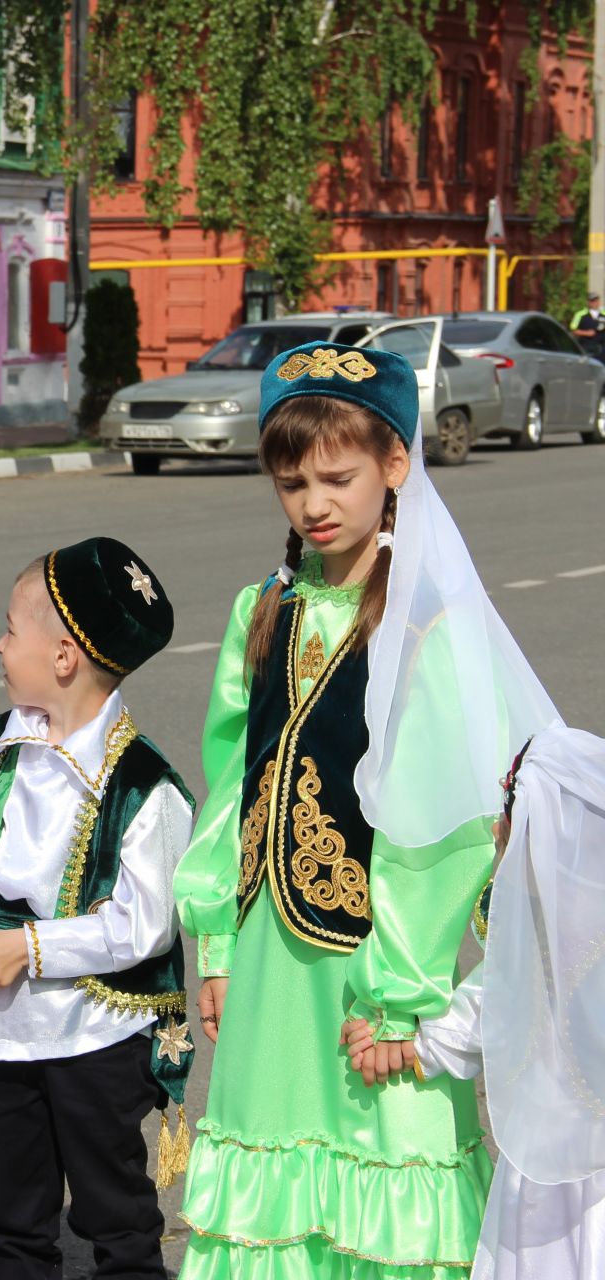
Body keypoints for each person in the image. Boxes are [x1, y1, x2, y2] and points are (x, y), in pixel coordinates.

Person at [173, 341, 558, 1278]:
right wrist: (217, 944)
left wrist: (404, 1000)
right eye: (292, 481)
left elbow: (454, 827)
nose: (315, 503)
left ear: (396, 466)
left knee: (389, 1146)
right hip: (270, 956)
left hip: (374, 961)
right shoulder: (259, 608)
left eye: (338, 477)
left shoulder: (430, 623)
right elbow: (235, 784)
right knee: (273, 1149)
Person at [0, 537, 195, 1280]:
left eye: (12, 630)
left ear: (64, 658)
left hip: (95, 1034)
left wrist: (29, 948)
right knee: (16, 1212)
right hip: (6, 1027)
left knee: (116, 1213)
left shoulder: (145, 785)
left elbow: (142, 924)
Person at [374, 728, 605, 1280]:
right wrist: (409, 1044)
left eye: (509, 822)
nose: (499, 832)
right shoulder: (548, 930)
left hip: (556, 1172)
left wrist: (409, 1043)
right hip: (553, 1166)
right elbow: (482, 1009)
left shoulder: (547, 938)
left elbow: (482, 1012)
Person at [569, 294, 602, 358]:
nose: (594, 303)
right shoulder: (580, 315)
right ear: (588, 303)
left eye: (596, 301)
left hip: (601, 347)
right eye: (592, 301)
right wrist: (586, 333)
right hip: (586, 347)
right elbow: (574, 330)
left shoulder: (603, 314)